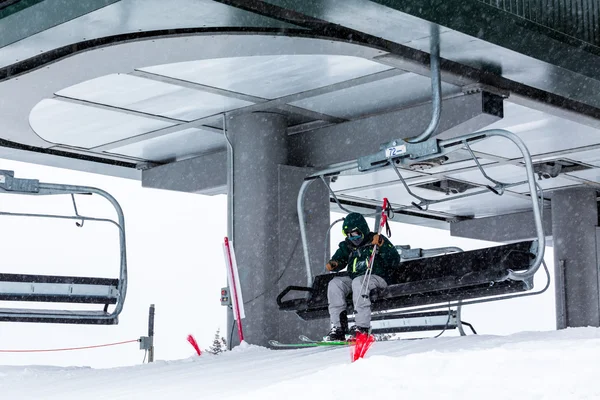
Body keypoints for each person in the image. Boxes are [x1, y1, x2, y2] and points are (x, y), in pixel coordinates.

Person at [324, 212, 400, 341]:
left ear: (363, 230)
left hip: (378, 277)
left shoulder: (376, 240)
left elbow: (394, 260)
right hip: (357, 279)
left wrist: (381, 245)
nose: (353, 238)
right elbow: (340, 258)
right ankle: (339, 328)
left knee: (359, 282)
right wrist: (335, 263)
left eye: (355, 234)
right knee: (335, 284)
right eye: (348, 235)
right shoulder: (348, 246)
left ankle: (362, 327)